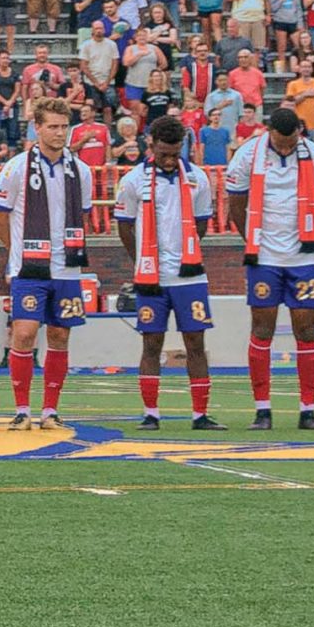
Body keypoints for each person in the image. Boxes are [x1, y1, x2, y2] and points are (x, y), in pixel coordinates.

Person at [224, 107, 314, 430]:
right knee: (262, 329)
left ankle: (308, 410)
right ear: (269, 132)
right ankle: (262, 410)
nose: (287, 148)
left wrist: (305, 235)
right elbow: (236, 204)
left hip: (303, 258)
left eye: (292, 142)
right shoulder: (248, 155)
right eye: (282, 142)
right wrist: (252, 241)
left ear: (299, 134)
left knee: (306, 331)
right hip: (264, 258)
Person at [114, 115, 223, 431]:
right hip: (152, 278)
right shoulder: (133, 180)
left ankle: (200, 415)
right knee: (151, 343)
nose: (170, 160)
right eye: (164, 154)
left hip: (190, 277)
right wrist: (143, 262)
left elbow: (201, 224)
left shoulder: (198, 179)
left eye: (176, 154)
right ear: (151, 145)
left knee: (195, 343)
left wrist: (184, 253)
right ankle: (151, 413)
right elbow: (124, 227)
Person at [0, 98, 91, 431]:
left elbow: (83, 216)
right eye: (53, 126)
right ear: (37, 127)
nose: (60, 133)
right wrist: (15, 251)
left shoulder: (81, 170)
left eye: (64, 126)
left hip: (67, 267)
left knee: (61, 335)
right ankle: (22, 409)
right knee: (24, 333)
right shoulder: (16, 167)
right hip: (30, 268)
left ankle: (50, 410)